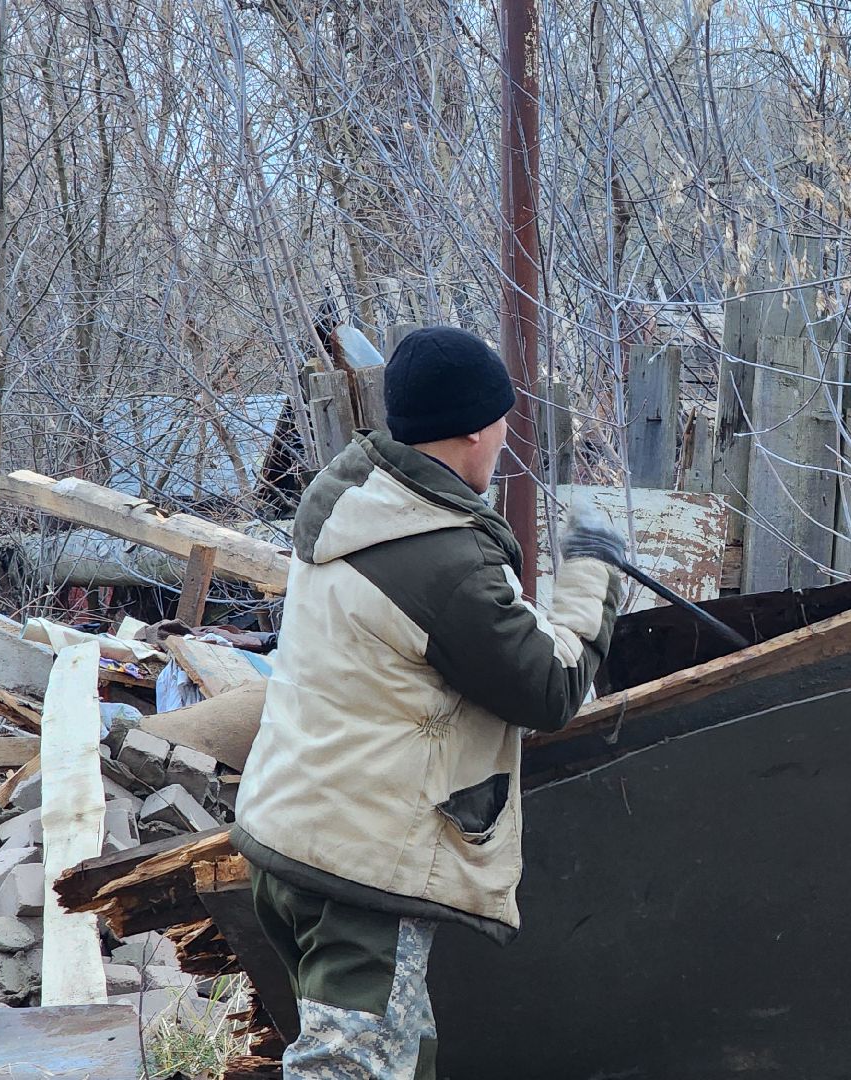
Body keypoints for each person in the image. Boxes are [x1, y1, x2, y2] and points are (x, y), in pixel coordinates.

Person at [232, 326, 624, 1079]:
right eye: (503, 422)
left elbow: (449, 639)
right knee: (354, 1071)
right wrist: (593, 576)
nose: (507, 438)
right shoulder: (441, 560)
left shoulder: (359, 500)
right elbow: (549, 687)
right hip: (359, 874)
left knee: (401, 1058)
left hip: (292, 835)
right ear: (475, 431)